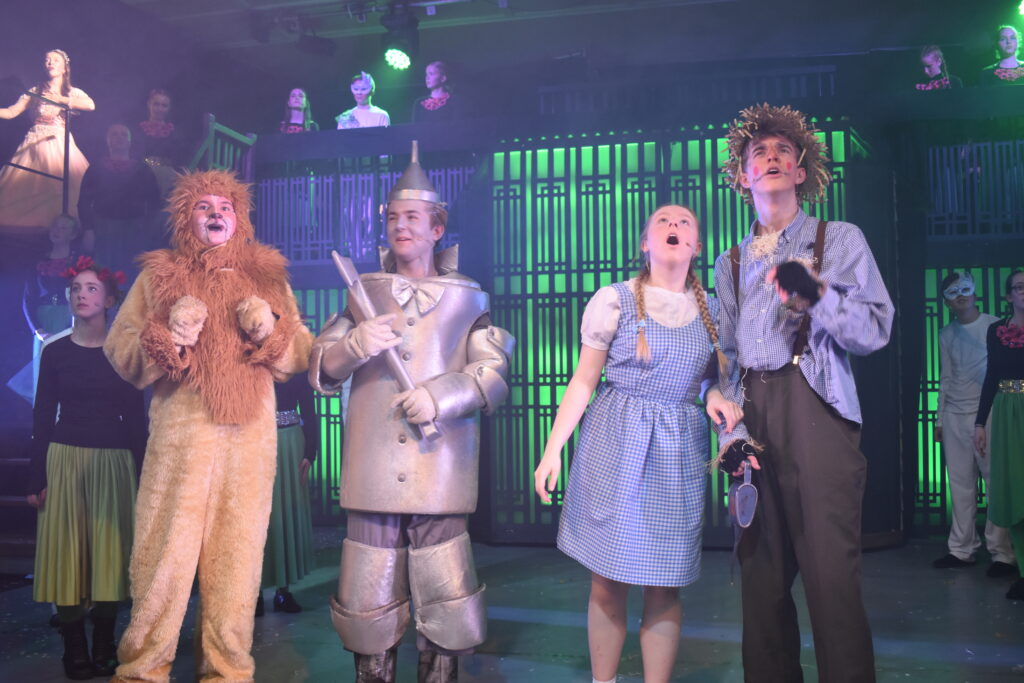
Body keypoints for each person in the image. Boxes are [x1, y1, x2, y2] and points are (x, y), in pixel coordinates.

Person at [309, 141, 514, 683]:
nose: (401, 226)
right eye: (393, 217)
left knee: (445, 591)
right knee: (368, 590)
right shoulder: (364, 293)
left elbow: (492, 374)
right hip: (373, 465)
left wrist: (440, 396)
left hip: (439, 463)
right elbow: (322, 368)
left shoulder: (467, 296)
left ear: (437, 227)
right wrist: (355, 344)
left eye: (413, 218)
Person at [103, 169, 312, 682]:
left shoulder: (267, 276)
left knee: (238, 563)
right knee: (162, 557)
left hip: (250, 441)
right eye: (203, 206)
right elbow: (119, 349)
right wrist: (167, 335)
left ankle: (228, 670)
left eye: (225, 207)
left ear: (240, 219)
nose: (216, 214)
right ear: (184, 218)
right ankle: (142, 669)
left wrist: (269, 329)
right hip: (181, 439)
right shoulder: (159, 275)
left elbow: (300, 354)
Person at [533, 204, 753, 683]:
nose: (674, 226)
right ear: (644, 243)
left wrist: (713, 394)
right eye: (663, 222)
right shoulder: (615, 300)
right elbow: (583, 382)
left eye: (684, 222)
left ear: (696, 246)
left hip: (677, 450)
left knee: (665, 584)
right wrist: (552, 451)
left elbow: (713, 382)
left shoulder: (715, 311)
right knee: (607, 581)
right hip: (616, 441)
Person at [716, 103, 894, 683]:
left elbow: (874, 330)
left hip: (815, 410)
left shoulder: (836, 238)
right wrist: (731, 432)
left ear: (800, 171)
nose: (770, 158)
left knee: (829, 579)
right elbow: (725, 357)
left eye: (782, 152)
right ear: (742, 176)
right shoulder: (729, 262)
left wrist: (816, 295)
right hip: (753, 416)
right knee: (761, 584)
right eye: (758, 153)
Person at [27, 255, 144, 681]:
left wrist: (146, 477)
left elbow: (137, 420)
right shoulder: (55, 351)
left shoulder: (122, 352)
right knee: (67, 554)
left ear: (110, 299)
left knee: (111, 553)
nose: (82, 294)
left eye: (92, 288)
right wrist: (36, 476)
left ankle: (105, 643)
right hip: (64, 458)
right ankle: (74, 647)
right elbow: (43, 415)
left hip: (114, 460)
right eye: (76, 288)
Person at [932, 270, 1015, 575]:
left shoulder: (996, 326)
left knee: (995, 483)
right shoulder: (945, 334)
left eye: (965, 289)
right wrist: (939, 418)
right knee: (959, 485)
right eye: (953, 292)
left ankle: (1002, 553)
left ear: (975, 292)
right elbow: (945, 378)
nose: (961, 296)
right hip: (954, 415)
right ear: (946, 302)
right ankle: (961, 549)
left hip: (988, 412)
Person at [0, 49, 93, 234]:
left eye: (55, 60)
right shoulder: (35, 91)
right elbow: (11, 112)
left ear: (65, 68)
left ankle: (62, 231)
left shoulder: (72, 92)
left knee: (60, 188)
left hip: (58, 142)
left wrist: (61, 99)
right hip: (33, 143)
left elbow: (90, 105)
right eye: (47, 60)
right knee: (26, 185)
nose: (50, 62)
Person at [974, 269, 1024, 600]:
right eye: (1019, 287)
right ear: (1008, 296)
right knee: (1015, 488)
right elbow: (992, 375)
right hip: (1007, 411)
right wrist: (980, 423)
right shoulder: (997, 331)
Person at [256, 373, 319, 616]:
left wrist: (310, 453)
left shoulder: (296, 361)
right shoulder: (247, 357)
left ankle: (283, 591)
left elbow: (309, 409)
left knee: (285, 513)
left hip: (290, 445)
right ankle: (253, 592)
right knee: (256, 518)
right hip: (254, 442)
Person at [7, 213, 82, 404]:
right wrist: (38, 330)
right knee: (44, 376)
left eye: (63, 228)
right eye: (55, 226)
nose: (57, 231)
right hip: (43, 323)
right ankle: (45, 419)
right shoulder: (38, 261)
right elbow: (27, 299)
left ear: (73, 235)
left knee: (67, 373)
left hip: (68, 319)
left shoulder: (78, 262)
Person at [77, 123, 161, 276]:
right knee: (103, 274)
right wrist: (88, 229)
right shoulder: (95, 168)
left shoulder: (143, 170)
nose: (119, 137)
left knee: (132, 273)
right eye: (114, 134)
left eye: (123, 134)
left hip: (134, 229)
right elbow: (84, 201)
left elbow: (154, 203)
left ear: (130, 141)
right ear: (107, 140)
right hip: (103, 228)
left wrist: (148, 231)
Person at [136, 88, 182, 197]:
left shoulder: (173, 132)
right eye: (156, 104)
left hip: (167, 177)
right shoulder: (139, 130)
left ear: (169, 108)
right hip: (142, 174)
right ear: (149, 104)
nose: (160, 109)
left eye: (164, 105)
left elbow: (178, 158)